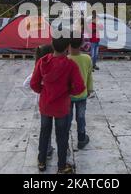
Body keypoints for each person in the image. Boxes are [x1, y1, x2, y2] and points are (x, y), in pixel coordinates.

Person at [30, 36, 86, 174]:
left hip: (45, 104)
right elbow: (80, 87)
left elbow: (33, 84)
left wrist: (43, 91)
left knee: (44, 133)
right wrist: (68, 92)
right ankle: (61, 166)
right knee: (62, 136)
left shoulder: (43, 61)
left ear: (52, 45)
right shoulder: (71, 65)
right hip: (61, 106)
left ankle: (41, 162)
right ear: (67, 47)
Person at [23, 44, 55, 159]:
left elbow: (26, 84)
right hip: (54, 102)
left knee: (45, 127)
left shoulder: (37, 69)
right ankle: (53, 149)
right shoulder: (54, 69)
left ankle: (46, 150)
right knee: (56, 127)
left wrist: (39, 92)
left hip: (42, 103)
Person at [67, 37, 93, 150]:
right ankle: (81, 139)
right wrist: (89, 89)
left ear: (68, 44)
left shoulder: (66, 59)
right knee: (81, 117)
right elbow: (89, 75)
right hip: (82, 94)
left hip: (67, 95)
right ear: (82, 44)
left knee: (67, 118)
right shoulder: (87, 58)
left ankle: (65, 140)